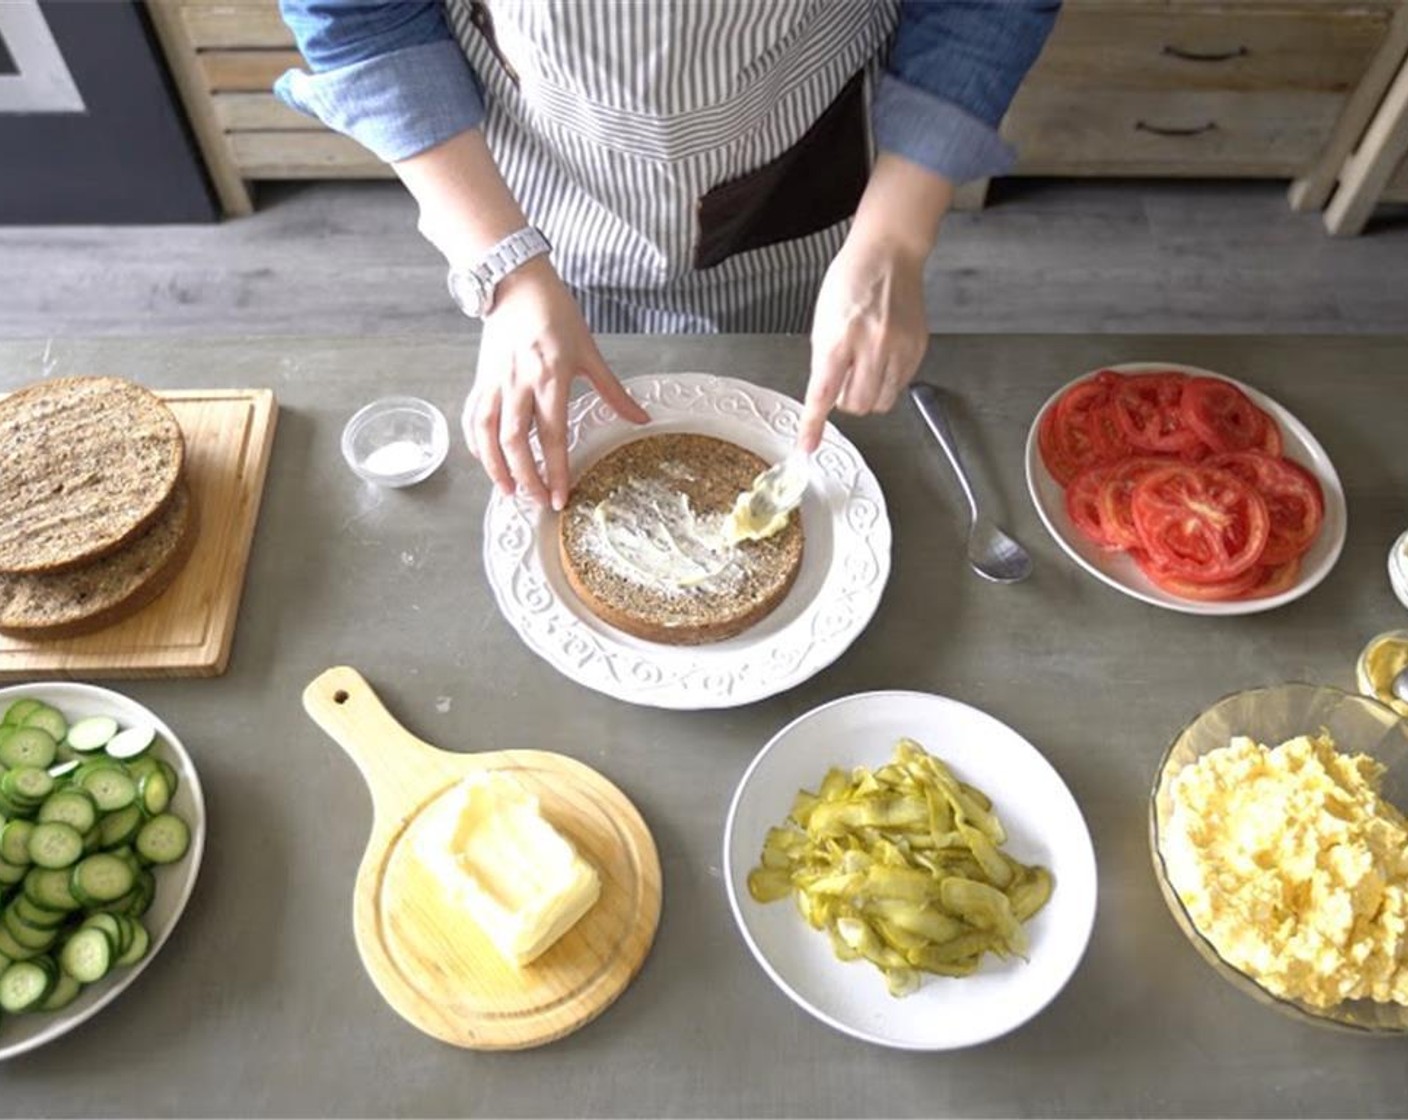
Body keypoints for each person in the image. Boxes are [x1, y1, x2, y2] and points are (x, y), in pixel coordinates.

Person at [276, 0, 1059, 510]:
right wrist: (508, 272)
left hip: (800, 158)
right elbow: (358, 14)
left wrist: (894, 234)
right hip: (537, 181)